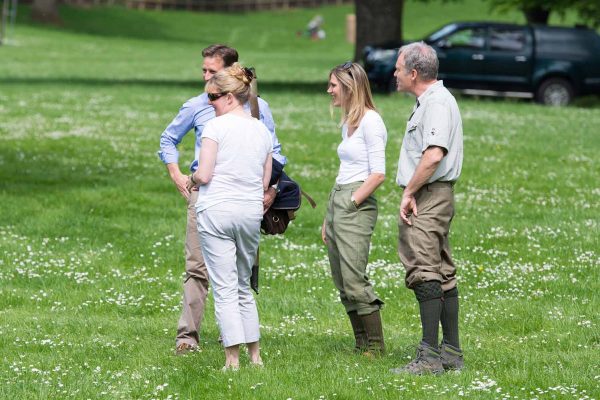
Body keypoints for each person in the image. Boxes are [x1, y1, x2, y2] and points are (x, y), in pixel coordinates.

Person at [157, 44, 286, 355]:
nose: (205, 78)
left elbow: (274, 152)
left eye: (212, 72)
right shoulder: (197, 106)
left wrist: (270, 191)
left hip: (244, 198)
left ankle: (234, 336)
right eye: (203, 70)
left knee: (241, 276)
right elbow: (168, 139)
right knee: (197, 268)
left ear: (231, 72)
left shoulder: (258, 108)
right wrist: (177, 175)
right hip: (205, 197)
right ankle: (188, 337)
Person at [188, 63, 272, 370]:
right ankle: (255, 356)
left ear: (229, 97)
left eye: (212, 96)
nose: (208, 102)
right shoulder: (261, 129)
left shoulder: (215, 128)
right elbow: (265, 182)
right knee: (242, 285)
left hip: (217, 209)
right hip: (250, 211)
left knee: (224, 287)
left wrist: (192, 178)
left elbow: (206, 174)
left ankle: (232, 360)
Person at [389, 42, 464, 375]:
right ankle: (450, 353)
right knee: (442, 268)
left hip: (429, 193)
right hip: (433, 191)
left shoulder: (436, 103)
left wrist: (409, 191)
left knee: (425, 267)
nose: (394, 72)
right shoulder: (431, 102)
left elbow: (434, 154)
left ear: (413, 73)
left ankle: (430, 356)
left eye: (398, 67)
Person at [321, 62, 387, 356]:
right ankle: (361, 343)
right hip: (339, 199)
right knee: (341, 279)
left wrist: (352, 202)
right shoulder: (348, 122)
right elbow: (344, 169)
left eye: (334, 85)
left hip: (354, 203)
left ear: (350, 87)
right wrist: (329, 215)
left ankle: (376, 346)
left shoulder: (372, 122)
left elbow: (378, 173)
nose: (329, 90)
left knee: (354, 278)